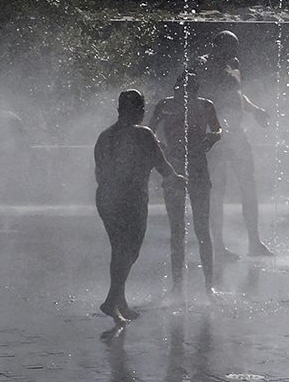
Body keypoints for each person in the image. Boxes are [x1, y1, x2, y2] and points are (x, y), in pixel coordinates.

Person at [91, 89, 183, 324]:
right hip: (131, 199)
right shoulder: (143, 134)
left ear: (119, 109)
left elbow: (99, 174)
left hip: (106, 198)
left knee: (118, 250)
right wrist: (177, 178)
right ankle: (111, 301)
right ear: (140, 111)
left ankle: (120, 303)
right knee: (130, 251)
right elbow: (162, 167)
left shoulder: (105, 136)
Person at [197, 30, 275, 257]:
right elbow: (191, 94)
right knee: (217, 190)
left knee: (249, 187)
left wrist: (255, 110)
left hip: (238, 135)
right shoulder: (203, 66)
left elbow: (237, 96)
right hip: (216, 136)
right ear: (216, 46)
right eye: (227, 47)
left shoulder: (233, 68)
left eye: (234, 48)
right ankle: (218, 246)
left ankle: (254, 242)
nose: (232, 53)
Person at [172, 91, 224, 290]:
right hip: (174, 167)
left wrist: (214, 137)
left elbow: (218, 129)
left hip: (199, 168)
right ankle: (177, 285)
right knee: (177, 230)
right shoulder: (166, 105)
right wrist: (158, 144)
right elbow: (150, 128)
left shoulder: (205, 104)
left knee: (202, 228)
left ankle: (208, 284)